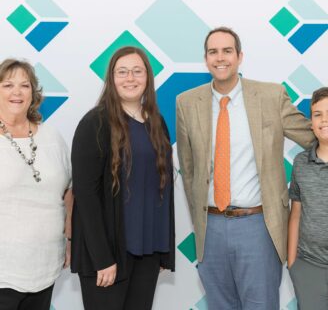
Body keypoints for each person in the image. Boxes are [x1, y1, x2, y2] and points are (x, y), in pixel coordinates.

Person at [176, 26, 315, 310]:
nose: (220, 58)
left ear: (240, 56)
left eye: (227, 51)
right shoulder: (186, 103)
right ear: (205, 59)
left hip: (259, 225)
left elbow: (313, 137)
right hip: (210, 228)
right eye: (213, 52)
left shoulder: (271, 96)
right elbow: (188, 170)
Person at [71, 46, 175, 310]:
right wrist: (102, 258)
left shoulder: (157, 123)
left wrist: (164, 251)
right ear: (111, 79)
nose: (130, 78)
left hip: (147, 252)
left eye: (137, 71)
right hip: (108, 255)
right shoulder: (95, 123)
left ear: (148, 78)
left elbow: (161, 189)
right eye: (123, 72)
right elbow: (85, 195)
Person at [0, 59, 73, 310]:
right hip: (3, 270)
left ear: (34, 92)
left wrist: (70, 240)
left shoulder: (52, 137)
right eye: (8, 85)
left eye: (25, 85)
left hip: (46, 266)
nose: (17, 92)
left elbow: (68, 193)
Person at [288, 87, 328, 310]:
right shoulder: (301, 163)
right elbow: (296, 214)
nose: (324, 120)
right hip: (309, 266)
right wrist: (293, 263)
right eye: (318, 114)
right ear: (311, 121)